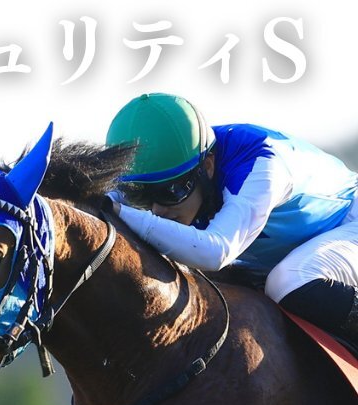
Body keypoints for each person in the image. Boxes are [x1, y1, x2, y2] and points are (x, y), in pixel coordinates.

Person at [106, 93, 358, 342]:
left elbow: (215, 251)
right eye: (140, 195)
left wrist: (120, 211)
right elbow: (102, 200)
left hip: (348, 223)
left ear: (207, 167)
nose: (157, 210)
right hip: (296, 247)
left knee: (288, 280)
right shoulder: (184, 163)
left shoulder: (260, 165)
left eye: (170, 192)